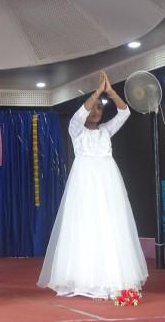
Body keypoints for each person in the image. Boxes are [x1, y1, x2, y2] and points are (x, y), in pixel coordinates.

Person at [37, 71, 148, 299]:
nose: (97, 111)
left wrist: (110, 91)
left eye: (100, 107)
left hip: (107, 184)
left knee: (108, 226)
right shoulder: (75, 130)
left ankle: (109, 277)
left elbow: (125, 112)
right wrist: (97, 92)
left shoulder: (106, 131)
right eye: (93, 107)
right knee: (85, 226)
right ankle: (84, 278)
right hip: (85, 184)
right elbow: (79, 116)